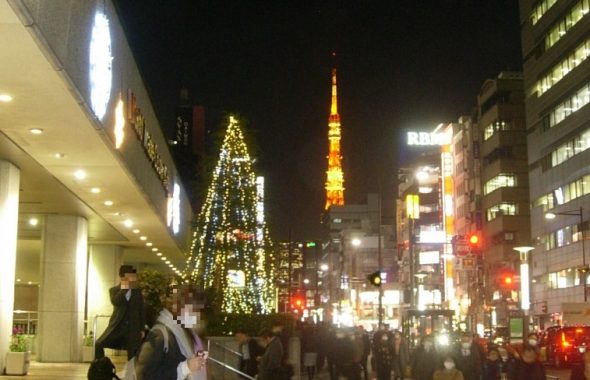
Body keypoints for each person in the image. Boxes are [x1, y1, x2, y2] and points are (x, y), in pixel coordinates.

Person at [134, 284, 207, 380]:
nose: (197, 315)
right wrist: (185, 368)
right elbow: (144, 375)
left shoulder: (181, 332)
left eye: (199, 310)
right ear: (179, 306)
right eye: (194, 309)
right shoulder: (160, 335)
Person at [95, 265, 146, 360]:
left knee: (133, 355)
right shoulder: (114, 290)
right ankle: (100, 367)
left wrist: (142, 328)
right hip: (117, 326)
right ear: (122, 277)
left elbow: (141, 309)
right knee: (99, 344)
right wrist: (124, 289)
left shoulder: (137, 291)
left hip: (132, 328)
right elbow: (116, 301)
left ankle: (131, 374)